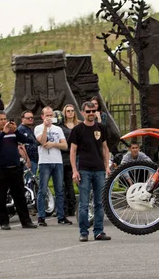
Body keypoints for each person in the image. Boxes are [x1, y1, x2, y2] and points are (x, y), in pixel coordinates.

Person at [0, 110, 38, 230]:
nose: (4, 121)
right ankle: (4, 222)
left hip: (15, 168)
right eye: (1, 119)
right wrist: (3, 133)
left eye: (5, 119)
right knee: (1, 197)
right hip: (0, 170)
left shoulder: (13, 133)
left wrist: (16, 131)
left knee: (20, 196)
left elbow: (27, 141)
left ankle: (26, 221)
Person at [69, 101, 111, 242]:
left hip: (99, 169)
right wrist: (74, 170)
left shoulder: (101, 128)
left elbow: (105, 148)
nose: (91, 113)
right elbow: (73, 151)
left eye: (93, 111)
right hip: (84, 170)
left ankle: (99, 231)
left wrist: (107, 166)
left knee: (100, 202)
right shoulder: (77, 129)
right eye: (88, 111)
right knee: (84, 203)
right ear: (82, 112)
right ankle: (84, 232)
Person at [34, 106, 72, 226]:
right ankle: (41, 216)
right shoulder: (38, 128)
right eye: (47, 115)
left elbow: (65, 145)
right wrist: (45, 127)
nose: (50, 118)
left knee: (59, 189)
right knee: (43, 189)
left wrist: (53, 144)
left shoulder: (58, 129)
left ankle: (61, 216)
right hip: (45, 161)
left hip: (57, 161)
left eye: (51, 115)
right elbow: (42, 141)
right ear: (42, 116)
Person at [60, 104, 79, 216]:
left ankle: (72, 207)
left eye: (72, 111)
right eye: (68, 111)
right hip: (65, 157)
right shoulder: (61, 127)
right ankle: (65, 207)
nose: (71, 113)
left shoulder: (79, 124)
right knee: (64, 184)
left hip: (78, 156)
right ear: (65, 113)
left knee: (73, 183)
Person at [17, 110, 39, 180]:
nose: (30, 119)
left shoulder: (29, 129)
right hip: (28, 161)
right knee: (29, 182)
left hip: (33, 160)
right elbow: (20, 146)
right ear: (22, 119)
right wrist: (27, 160)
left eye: (32, 117)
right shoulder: (21, 130)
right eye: (28, 118)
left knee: (32, 182)